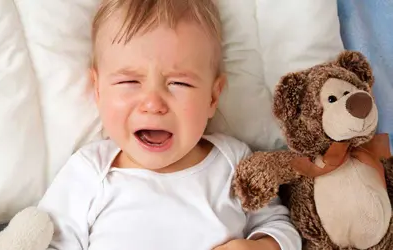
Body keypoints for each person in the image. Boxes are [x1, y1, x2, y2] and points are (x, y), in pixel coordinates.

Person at [37, 0, 301, 249]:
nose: (153, 103)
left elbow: (280, 227)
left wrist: (262, 245)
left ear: (212, 96)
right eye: (129, 82)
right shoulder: (89, 173)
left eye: (179, 83)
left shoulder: (232, 162)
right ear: (98, 90)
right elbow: (48, 241)